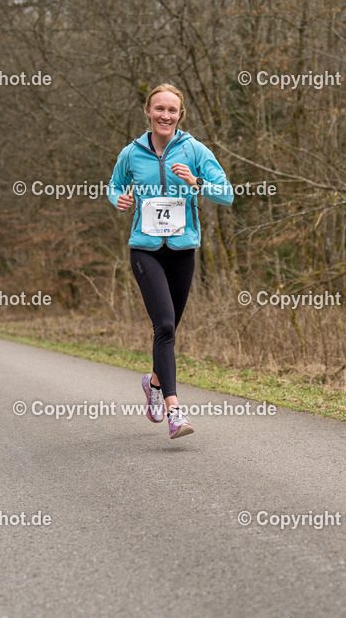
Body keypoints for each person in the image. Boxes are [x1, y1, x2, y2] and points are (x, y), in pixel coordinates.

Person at [107, 83, 233, 439]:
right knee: (163, 324)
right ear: (148, 111)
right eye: (159, 109)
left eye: (172, 110)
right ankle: (174, 410)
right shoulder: (131, 154)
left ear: (180, 115)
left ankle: (154, 381)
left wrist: (197, 182)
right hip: (145, 251)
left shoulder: (194, 150)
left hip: (182, 252)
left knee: (170, 329)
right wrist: (118, 199)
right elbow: (113, 186)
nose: (165, 115)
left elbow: (227, 195)